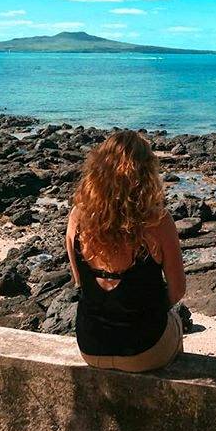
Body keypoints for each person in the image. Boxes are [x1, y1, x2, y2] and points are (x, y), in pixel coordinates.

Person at [65, 130, 186, 372]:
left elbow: (79, 281)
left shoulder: (77, 218)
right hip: (143, 351)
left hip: (91, 347)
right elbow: (177, 291)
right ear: (145, 174)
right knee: (176, 322)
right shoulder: (158, 222)